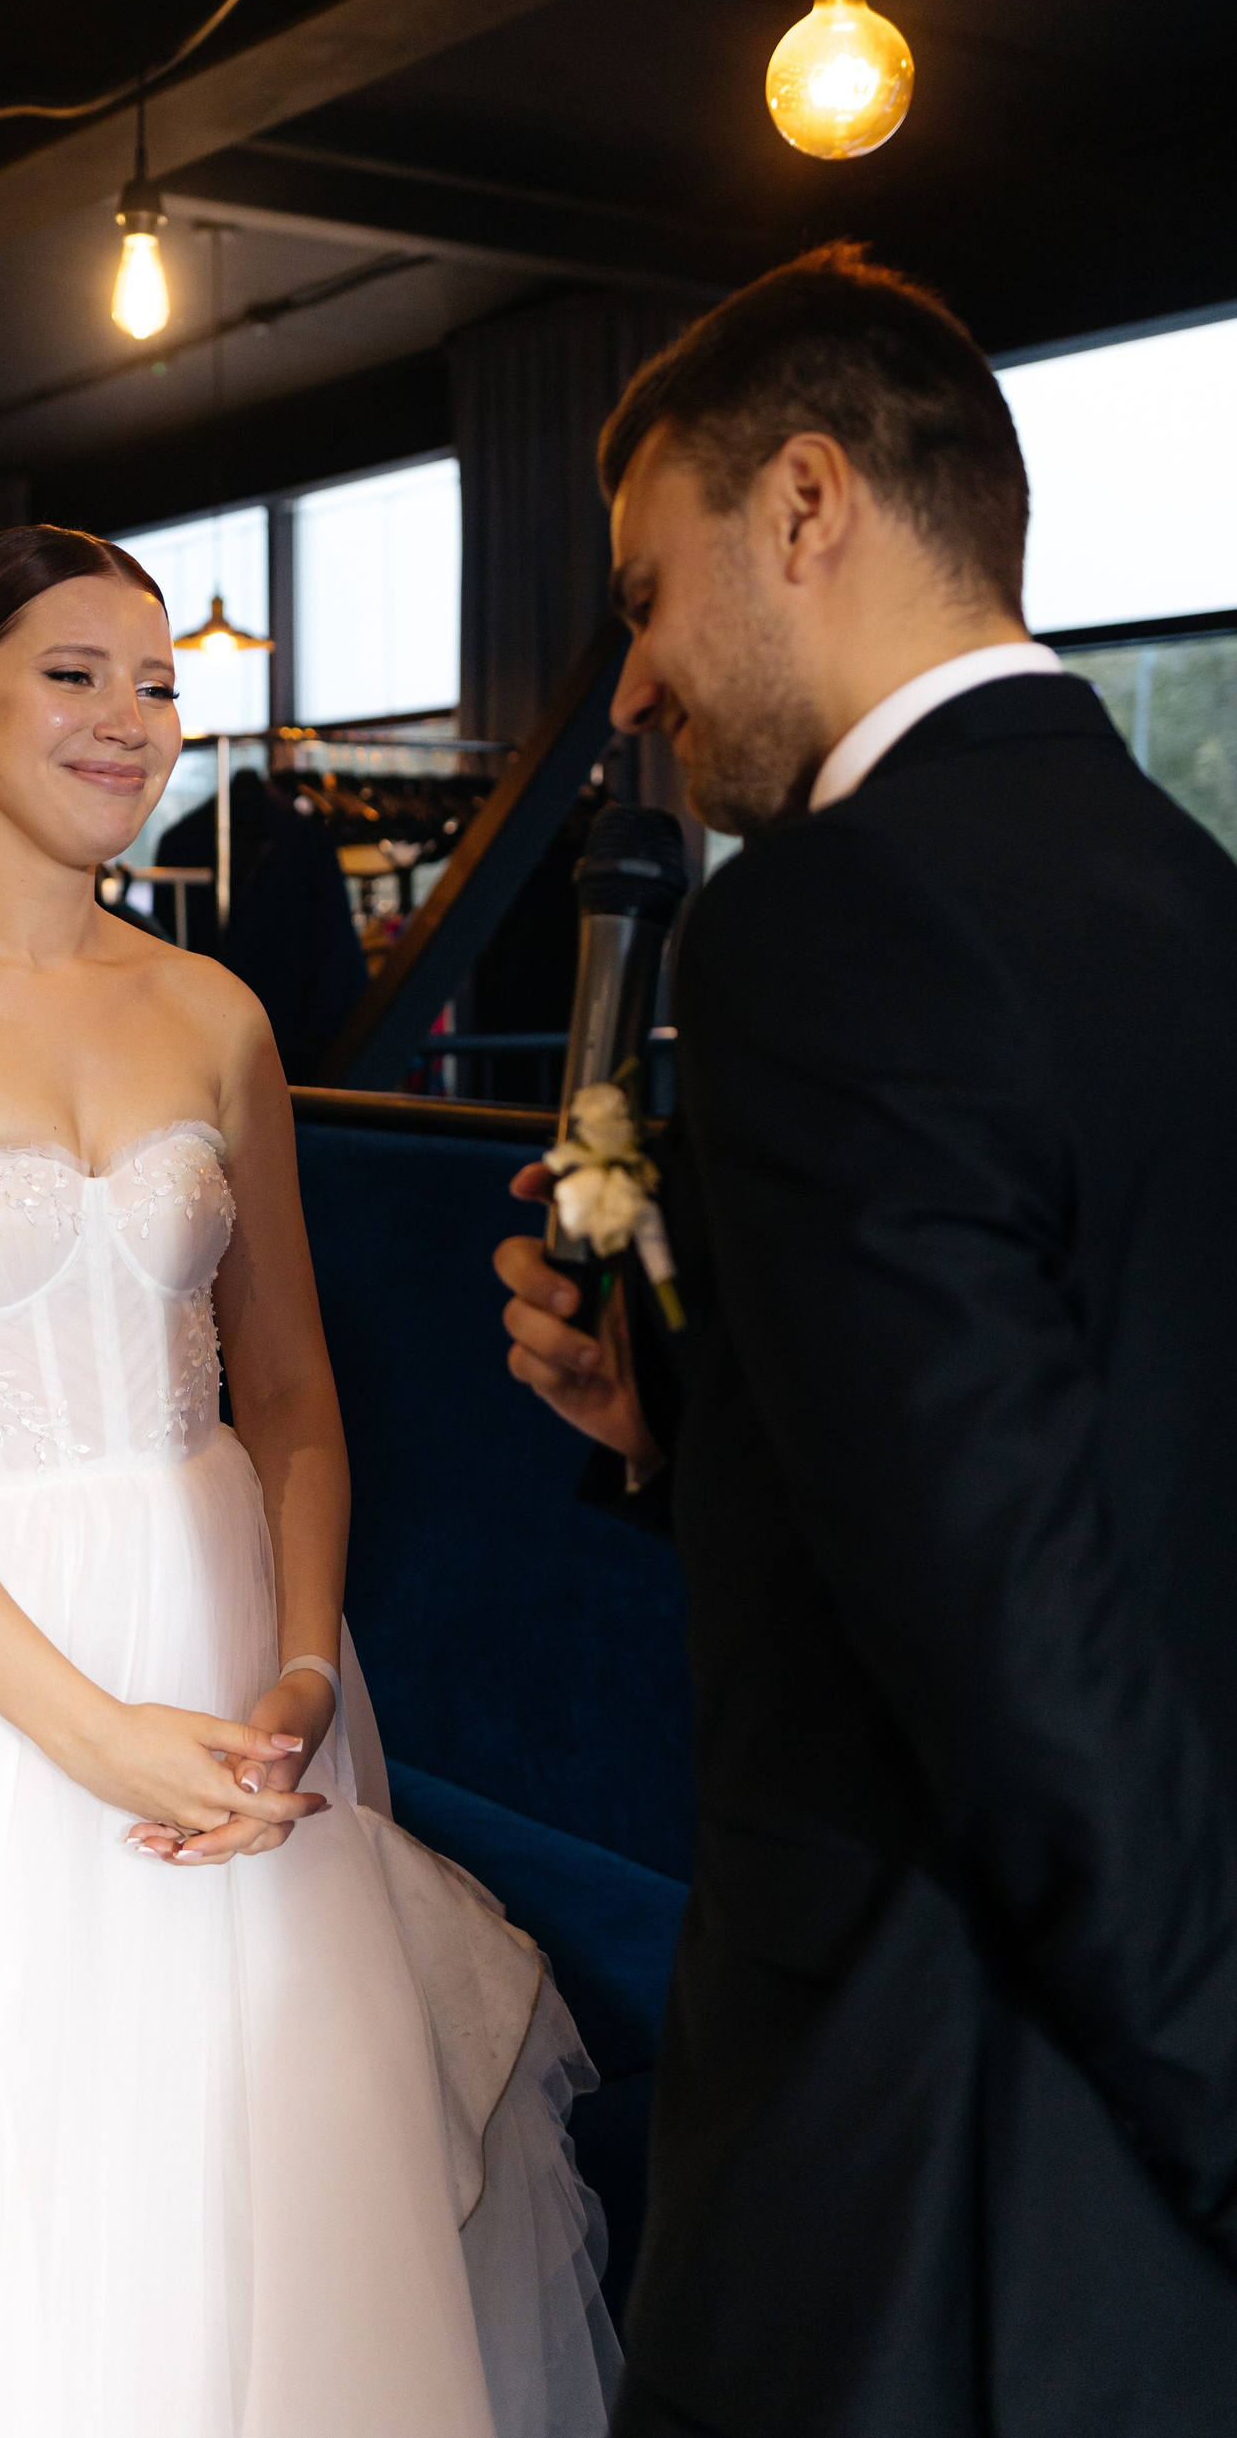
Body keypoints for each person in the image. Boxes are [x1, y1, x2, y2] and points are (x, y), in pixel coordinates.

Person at [0, 524, 618, 2438]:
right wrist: (94, 1734)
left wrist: (301, 1669)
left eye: (156, 683)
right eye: (73, 673)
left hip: (225, 1639)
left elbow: (294, 1394)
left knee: (253, 2176)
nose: (128, 719)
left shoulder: (215, 1015)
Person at [496, 246, 1237, 2435]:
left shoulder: (825, 917)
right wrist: (676, 1416)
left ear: (806, 502)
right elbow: (1117, 1439)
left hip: (927, 2156)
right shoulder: (1189, 892)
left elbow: (1011, 1624)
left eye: (646, 594)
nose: (633, 687)